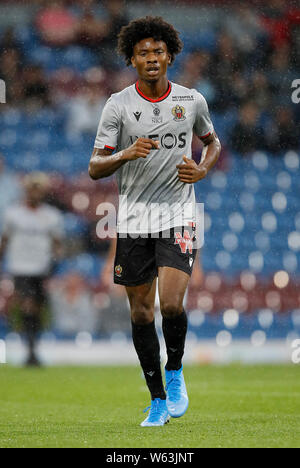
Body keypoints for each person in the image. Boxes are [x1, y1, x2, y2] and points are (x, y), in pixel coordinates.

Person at [89, 16, 221, 427]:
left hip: (178, 213)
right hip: (132, 218)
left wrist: (202, 169)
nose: (151, 58)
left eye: (158, 51)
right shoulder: (118, 105)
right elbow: (95, 167)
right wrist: (125, 154)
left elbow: (212, 142)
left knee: (170, 303)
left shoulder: (191, 100)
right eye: (143, 52)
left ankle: (176, 370)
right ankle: (158, 400)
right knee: (142, 314)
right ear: (131, 59)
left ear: (170, 57)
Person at [0, 173, 64, 366]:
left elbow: (57, 244)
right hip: (20, 267)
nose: (35, 193)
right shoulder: (13, 214)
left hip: (42, 268)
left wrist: (54, 264)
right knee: (27, 304)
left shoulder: (51, 216)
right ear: (26, 191)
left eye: (39, 189)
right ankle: (30, 351)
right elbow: (4, 240)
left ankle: (32, 347)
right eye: (32, 189)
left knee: (37, 308)